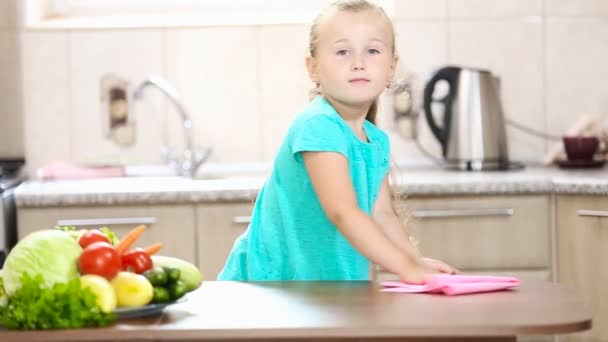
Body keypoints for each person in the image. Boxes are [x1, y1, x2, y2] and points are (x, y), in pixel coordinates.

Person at [218, 0, 457, 283]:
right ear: (313, 68)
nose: (358, 63)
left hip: (319, 292)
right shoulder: (318, 126)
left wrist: (413, 262)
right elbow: (342, 212)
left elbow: (382, 214)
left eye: (373, 51)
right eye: (342, 52)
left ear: (391, 67)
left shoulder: (375, 139)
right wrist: (407, 269)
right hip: (270, 287)